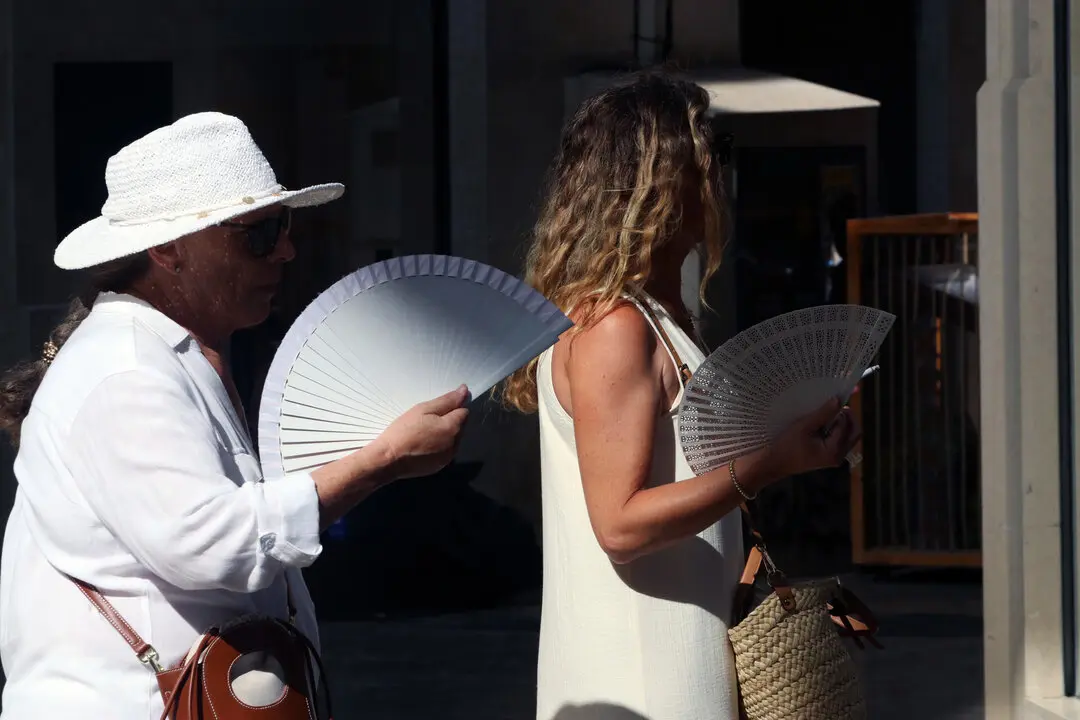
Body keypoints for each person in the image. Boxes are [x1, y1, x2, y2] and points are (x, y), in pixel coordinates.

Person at [0, 112, 469, 718]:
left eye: (285, 225)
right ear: (168, 249)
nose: (286, 250)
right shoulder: (127, 369)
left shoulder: (171, 353)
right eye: (260, 233)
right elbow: (212, 543)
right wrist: (381, 462)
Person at [501, 73, 862, 720]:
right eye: (711, 151)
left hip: (677, 654)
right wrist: (770, 463)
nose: (721, 173)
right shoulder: (617, 327)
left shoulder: (658, 319)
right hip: (644, 673)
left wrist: (795, 441)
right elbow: (619, 525)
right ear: (660, 181)